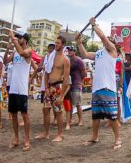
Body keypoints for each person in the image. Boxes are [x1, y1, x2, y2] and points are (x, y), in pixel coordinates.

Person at [75, 18, 122, 149]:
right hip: (97, 88)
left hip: (108, 87)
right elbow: (84, 54)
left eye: (108, 39)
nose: (106, 39)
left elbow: (102, 37)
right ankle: (94, 137)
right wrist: (79, 42)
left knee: (112, 116)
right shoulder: (99, 53)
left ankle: (118, 139)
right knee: (95, 116)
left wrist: (94, 25)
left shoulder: (112, 49)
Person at [3, 30, 33, 151]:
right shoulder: (15, 52)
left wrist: (13, 39)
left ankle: (27, 140)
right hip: (13, 88)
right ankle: (16, 138)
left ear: (24, 40)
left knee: (24, 115)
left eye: (19, 38)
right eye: (16, 38)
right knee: (14, 114)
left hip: (22, 89)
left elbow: (22, 53)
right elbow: (5, 61)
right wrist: (7, 50)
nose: (17, 39)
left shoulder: (28, 50)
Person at [43, 36, 70, 142]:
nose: (56, 45)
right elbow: (46, 72)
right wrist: (45, 87)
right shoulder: (51, 57)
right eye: (55, 43)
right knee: (45, 110)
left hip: (58, 86)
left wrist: (62, 96)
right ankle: (46, 133)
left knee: (58, 111)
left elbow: (66, 79)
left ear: (63, 45)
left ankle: (60, 134)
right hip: (49, 86)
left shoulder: (65, 59)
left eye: (58, 43)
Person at [68, 46, 86, 127]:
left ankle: (81, 120)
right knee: (70, 104)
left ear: (74, 51)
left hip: (76, 84)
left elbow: (84, 72)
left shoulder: (78, 60)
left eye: (71, 50)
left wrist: (80, 81)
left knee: (78, 103)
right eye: (69, 50)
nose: (69, 52)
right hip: (69, 84)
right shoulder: (68, 60)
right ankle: (70, 119)